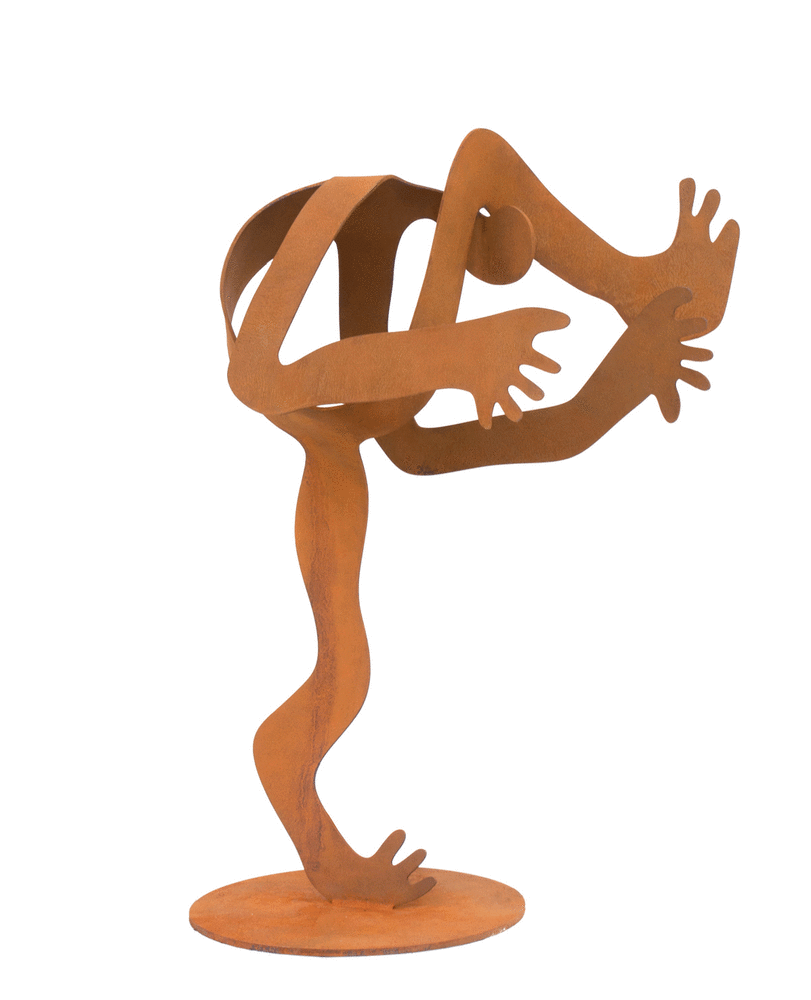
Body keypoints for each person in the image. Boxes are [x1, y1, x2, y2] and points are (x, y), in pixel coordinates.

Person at [219, 129, 739, 905]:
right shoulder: (360, 211)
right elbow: (256, 377)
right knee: (346, 675)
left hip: (340, 437)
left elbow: (422, 451)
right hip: (328, 429)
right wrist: (457, 357)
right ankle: (636, 281)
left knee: (345, 670)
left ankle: (638, 283)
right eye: (522, 240)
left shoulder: (426, 262)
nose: (524, 251)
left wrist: (620, 385)